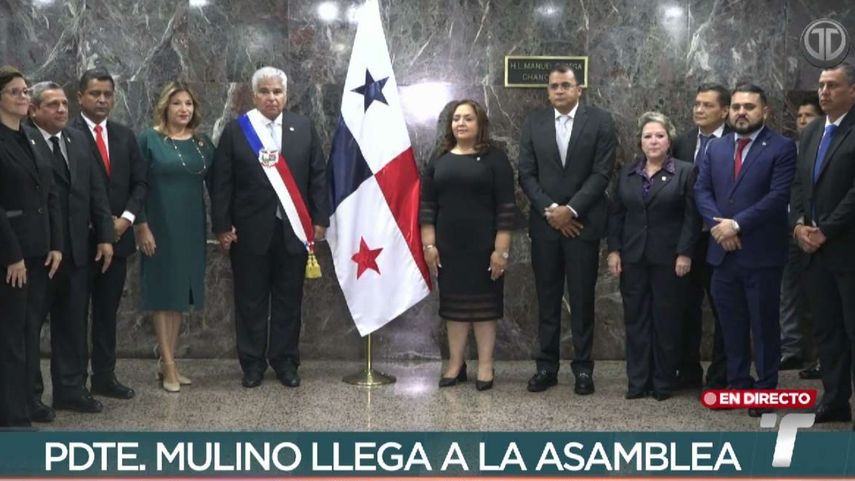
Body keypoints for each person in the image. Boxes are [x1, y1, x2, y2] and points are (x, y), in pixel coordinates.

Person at [210, 66, 328, 389]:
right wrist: (221, 226)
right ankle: (252, 363)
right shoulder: (237, 130)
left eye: (277, 92)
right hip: (248, 232)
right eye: (265, 91)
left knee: (290, 299)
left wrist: (319, 220)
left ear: (286, 95)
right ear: (253, 94)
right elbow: (222, 182)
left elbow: (317, 175)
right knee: (250, 301)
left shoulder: (302, 128)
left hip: (294, 231)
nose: (272, 97)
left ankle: (285, 361)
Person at [694, 83, 796, 417]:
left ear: (764, 111)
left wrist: (736, 225)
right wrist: (720, 229)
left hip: (761, 255)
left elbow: (778, 197)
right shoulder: (716, 148)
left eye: (749, 107)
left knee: (764, 327)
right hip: (722, 255)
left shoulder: (781, 147)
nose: (741, 112)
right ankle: (738, 385)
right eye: (736, 106)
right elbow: (702, 191)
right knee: (731, 326)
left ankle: (765, 390)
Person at [518, 64, 616, 395]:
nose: (559, 91)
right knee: (546, 299)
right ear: (548, 91)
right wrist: (553, 213)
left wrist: (571, 210)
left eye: (565, 85)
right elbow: (527, 174)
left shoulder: (600, 121)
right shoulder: (534, 122)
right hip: (546, 228)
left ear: (579, 89)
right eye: (553, 86)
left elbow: (602, 173)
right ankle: (546, 367)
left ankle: (583, 369)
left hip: (582, 226)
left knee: (583, 298)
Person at [26, 81, 113, 419]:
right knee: (30, 328)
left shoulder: (77, 140)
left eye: (63, 103)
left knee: (73, 325)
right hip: (39, 254)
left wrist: (105, 235)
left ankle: (70, 389)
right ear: (34, 110)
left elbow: (96, 192)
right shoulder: (25, 141)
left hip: (78, 252)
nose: (61, 110)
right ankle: (31, 396)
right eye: (52, 104)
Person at [420, 100, 515, 391]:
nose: (461, 123)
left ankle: (485, 365)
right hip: (448, 248)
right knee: (454, 309)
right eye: (456, 118)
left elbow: (506, 208)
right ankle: (455, 363)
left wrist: (501, 251)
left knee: (485, 308)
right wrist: (428, 245)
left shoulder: (495, 159)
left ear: (480, 124)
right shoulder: (439, 158)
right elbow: (427, 206)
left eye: (468, 118)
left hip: (485, 247)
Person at [607, 112, 699, 400]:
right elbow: (616, 214)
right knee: (636, 320)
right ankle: (638, 381)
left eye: (659, 135)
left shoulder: (684, 171)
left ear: (669, 140)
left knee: (666, 320)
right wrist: (614, 250)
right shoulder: (627, 172)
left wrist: (685, 253)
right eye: (647, 136)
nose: (653, 141)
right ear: (640, 142)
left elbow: (692, 218)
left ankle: (662, 381)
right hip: (633, 257)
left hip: (669, 259)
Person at [69, 67, 146, 401]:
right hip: (79, 242)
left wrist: (126, 220)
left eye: (107, 94)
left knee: (106, 312)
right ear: (80, 96)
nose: (102, 100)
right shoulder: (67, 134)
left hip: (119, 238)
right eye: (94, 94)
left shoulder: (124, 135)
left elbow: (141, 183)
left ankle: (104, 377)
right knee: (73, 314)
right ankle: (72, 383)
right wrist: (100, 224)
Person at [135, 82, 214, 392]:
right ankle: (167, 364)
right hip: (158, 226)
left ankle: (169, 361)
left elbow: (219, 185)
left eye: (189, 104)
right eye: (177, 103)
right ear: (165, 107)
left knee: (180, 297)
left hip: (191, 227)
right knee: (162, 294)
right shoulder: (150, 140)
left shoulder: (202, 143)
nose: (184, 109)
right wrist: (141, 225)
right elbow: (136, 184)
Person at [790, 63, 855, 425]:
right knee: (827, 329)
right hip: (813, 251)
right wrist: (799, 226)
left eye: (833, 85)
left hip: (846, 248)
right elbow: (799, 185)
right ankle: (834, 400)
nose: (824, 92)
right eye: (821, 85)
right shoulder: (813, 131)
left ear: (853, 90)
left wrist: (826, 229)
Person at [0, 66, 62, 427]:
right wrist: (13, 255)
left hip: (39, 252)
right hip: (11, 256)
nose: (24, 97)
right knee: (10, 337)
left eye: (25, 92)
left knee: (28, 332)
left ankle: (26, 400)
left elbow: (49, 191)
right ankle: (12, 415)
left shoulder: (31, 137)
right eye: (15, 92)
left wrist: (55, 243)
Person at [670, 84, 732, 389]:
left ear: (724, 111)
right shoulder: (682, 142)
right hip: (687, 239)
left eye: (707, 105)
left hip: (722, 238)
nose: (699, 110)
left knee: (723, 309)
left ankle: (721, 374)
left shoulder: (736, 141)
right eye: (696, 104)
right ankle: (688, 370)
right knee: (685, 308)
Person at [779, 95, 823, 377]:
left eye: (810, 115)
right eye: (800, 116)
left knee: (822, 297)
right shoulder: (789, 150)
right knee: (788, 292)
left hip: (826, 233)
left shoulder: (832, 145)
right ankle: (791, 349)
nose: (803, 120)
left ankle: (823, 356)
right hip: (792, 231)